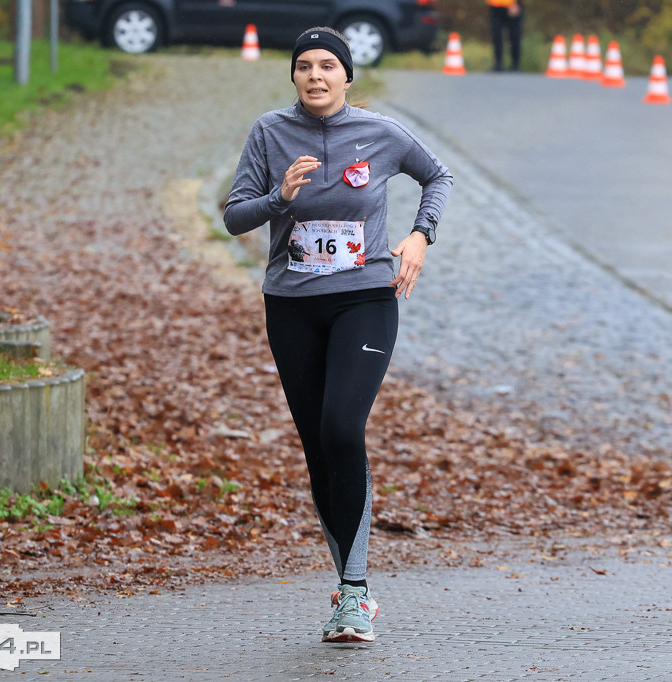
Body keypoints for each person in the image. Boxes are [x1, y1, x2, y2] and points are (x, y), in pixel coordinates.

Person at [223, 27, 452, 643]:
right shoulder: (270, 133)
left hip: (366, 300)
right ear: (293, 77)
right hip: (293, 305)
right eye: (304, 66)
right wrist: (279, 198)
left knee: (342, 428)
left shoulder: (380, 132)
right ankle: (351, 582)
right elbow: (233, 214)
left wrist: (420, 237)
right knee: (317, 447)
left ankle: (354, 596)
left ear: (348, 77)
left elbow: (438, 177)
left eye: (329, 66)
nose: (316, 76)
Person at [486, 0, 523, 72]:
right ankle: (498, 63)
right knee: (496, 36)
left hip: (512, 5)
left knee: (515, 36)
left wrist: (518, 3)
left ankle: (515, 64)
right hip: (495, 6)